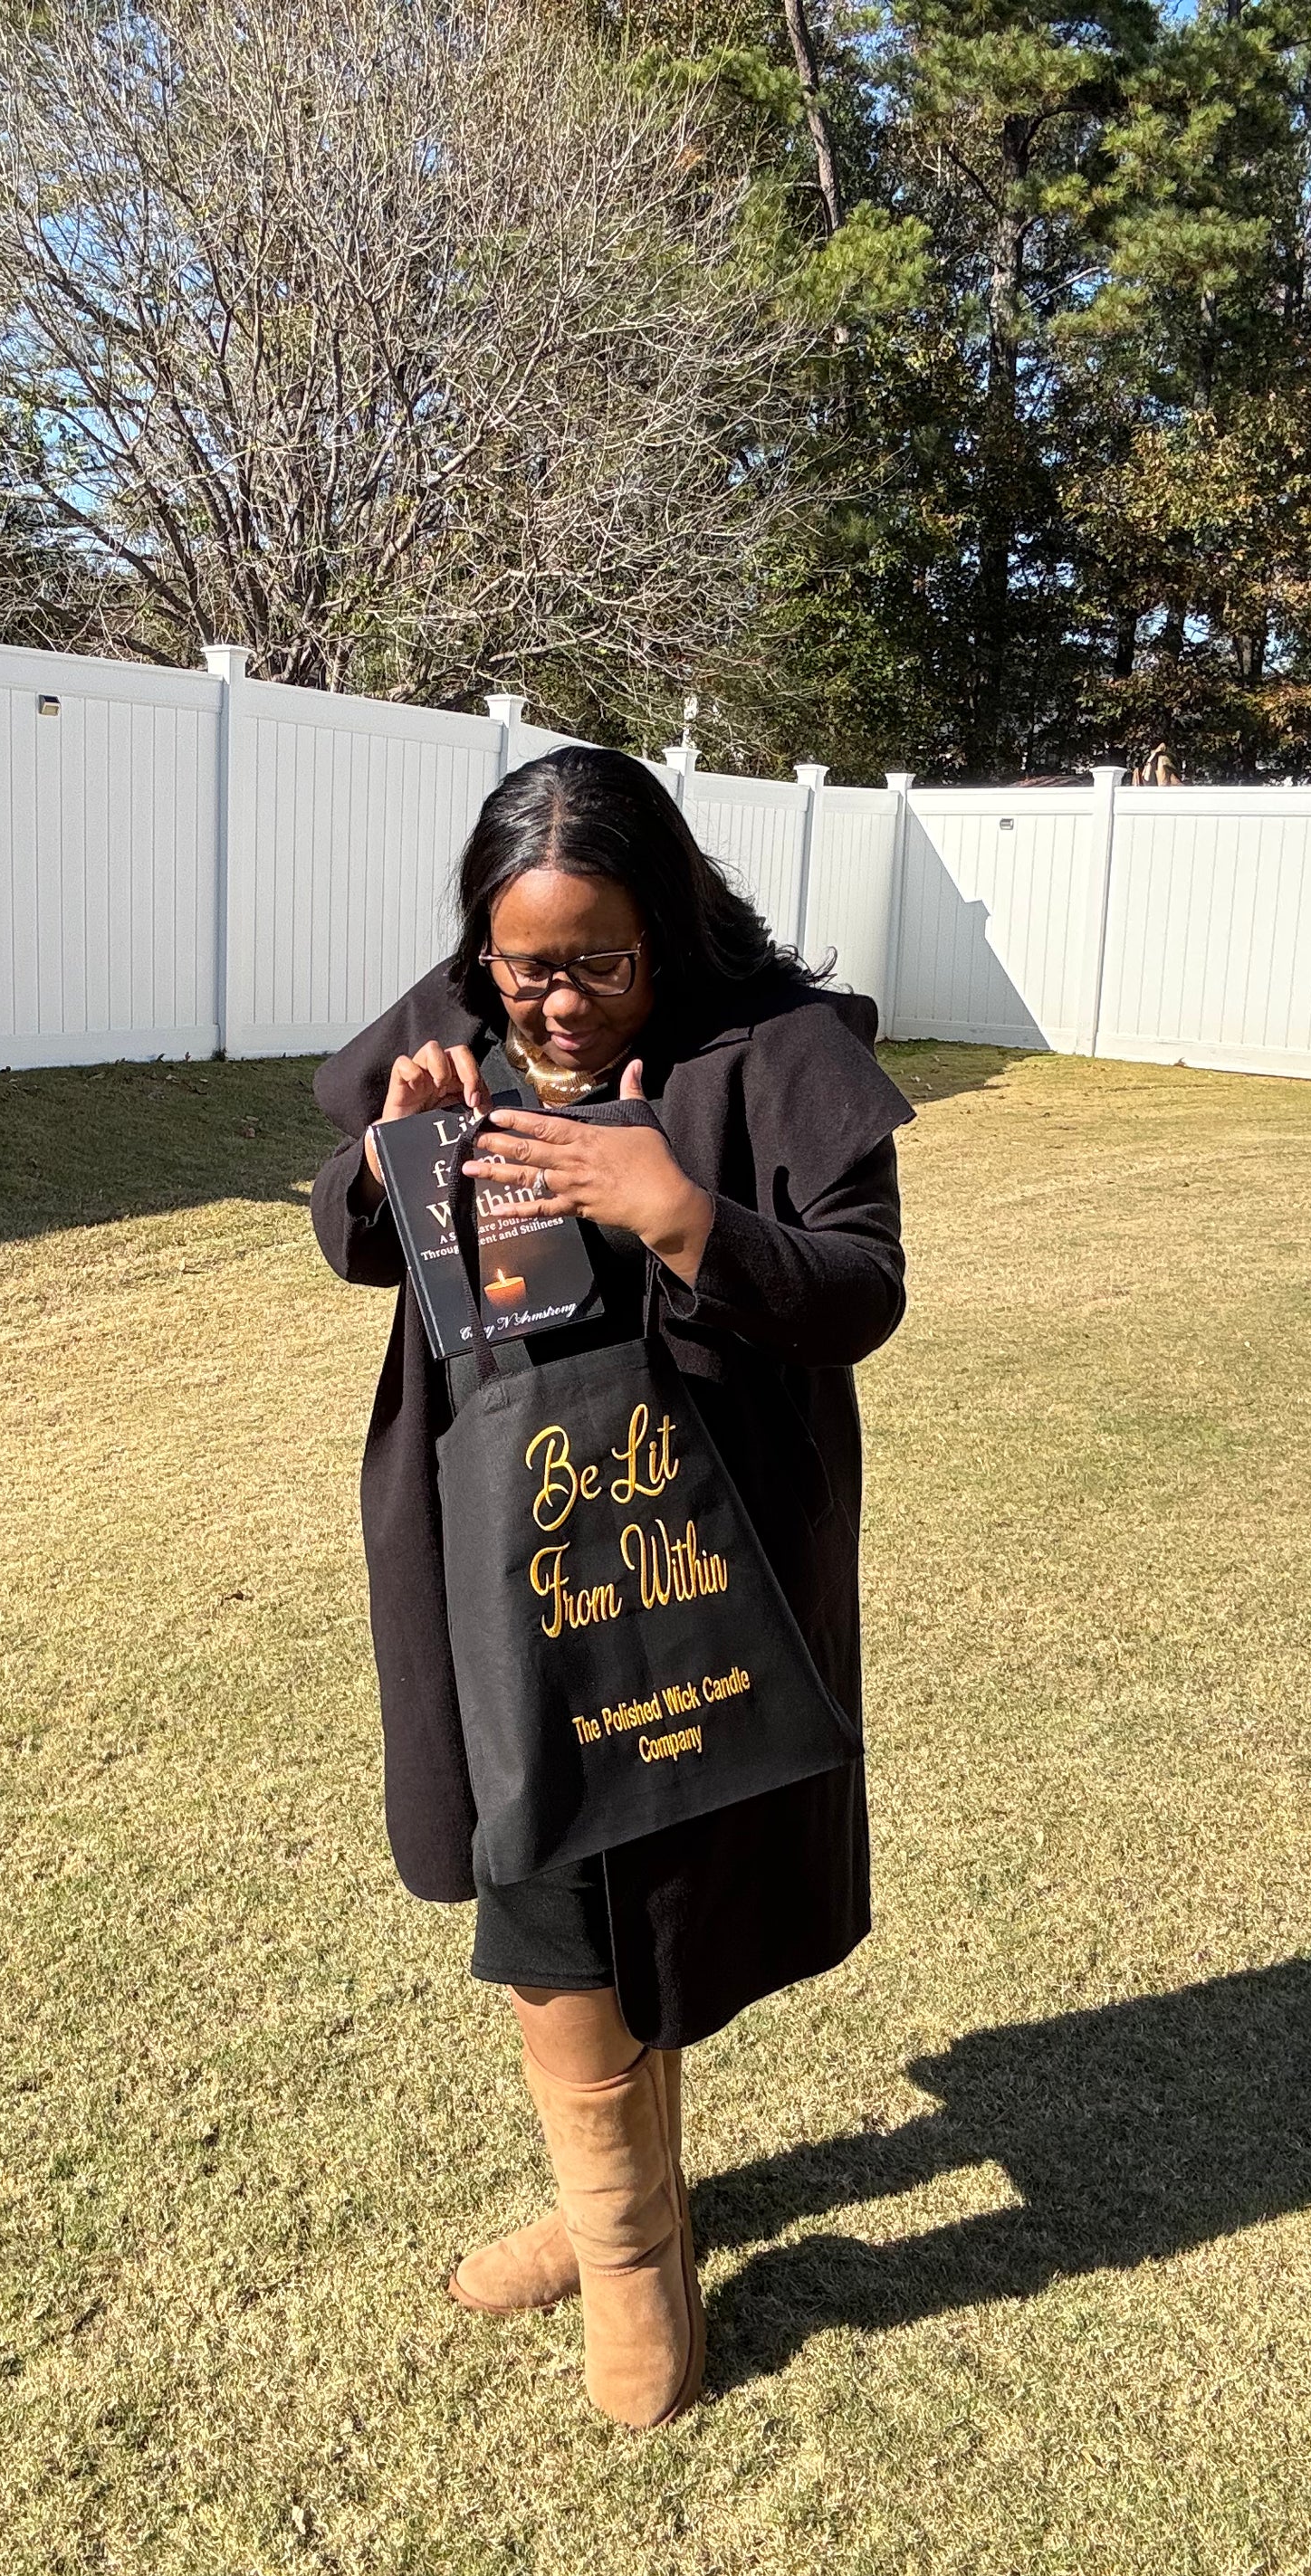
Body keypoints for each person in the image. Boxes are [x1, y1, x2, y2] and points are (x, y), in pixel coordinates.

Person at [307, 745, 914, 2428]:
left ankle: (625, 2227)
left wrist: (683, 1214)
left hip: (695, 1547)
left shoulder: (773, 1051)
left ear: (671, 927)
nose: (557, 1005)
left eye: (598, 964)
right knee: (540, 1870)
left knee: (662, 1868)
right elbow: (350, 1239)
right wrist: (392, 1157)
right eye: (526, 969)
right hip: (495, 1539)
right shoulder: (464, 1029)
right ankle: (625, 2238)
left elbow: (863, 1289)